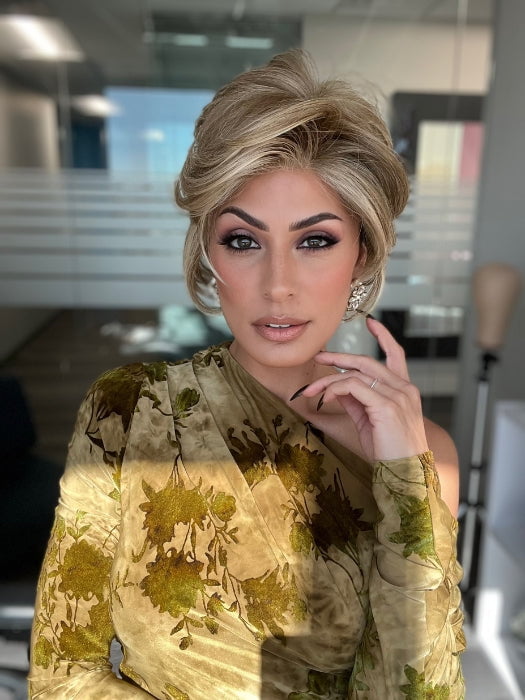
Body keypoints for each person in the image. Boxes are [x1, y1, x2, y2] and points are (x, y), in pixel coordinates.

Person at [29, 50, 465, 698]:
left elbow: (419, 689)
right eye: (243, 240)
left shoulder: (427, 458)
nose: (277, 285)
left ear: (361, 254)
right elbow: (62, 676)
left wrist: (403, 476)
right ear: (208, 253)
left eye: (314, 241)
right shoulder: (127, 409)